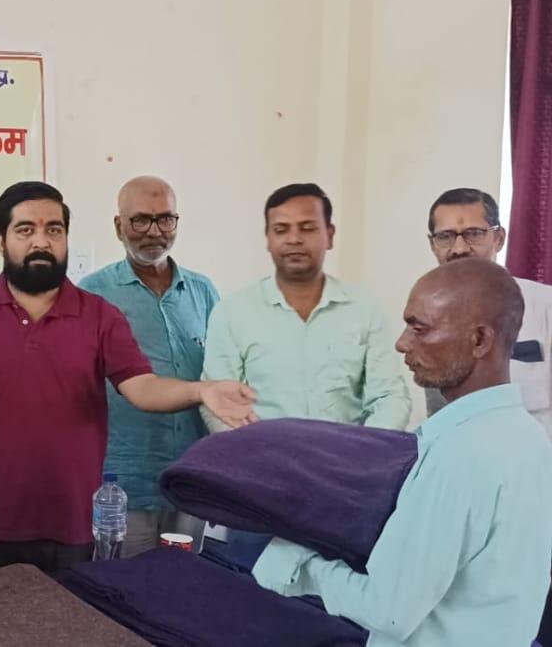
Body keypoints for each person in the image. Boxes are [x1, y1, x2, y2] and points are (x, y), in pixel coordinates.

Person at [0, 181, 256, 577]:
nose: (41, 241)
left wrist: (202, 390)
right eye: (25, 229)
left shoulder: (99, 315)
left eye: (54, 229)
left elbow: (142, 386)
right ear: (2, 241)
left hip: (76, 527)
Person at [253, 258, 552, 646]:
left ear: (479, 340)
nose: (402, 343)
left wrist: (299, 567)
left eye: (419, 328)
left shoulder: (459, 456)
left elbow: (388, 610)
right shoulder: (530, 439)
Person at [79, 176, 217, 557]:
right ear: (118, 226)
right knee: (125, 585)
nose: (154, 232)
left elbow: (222, 371)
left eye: (165, 219)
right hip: (123, 483)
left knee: (186, 583)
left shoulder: (203, 291)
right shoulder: (91, 294)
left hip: (191, 478)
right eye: (140, 220)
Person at [202, 183, 410, 432]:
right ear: (268, 238)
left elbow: (390, 397)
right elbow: (219, 404)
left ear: (330, 235)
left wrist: (364, 450)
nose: (294, 239)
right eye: (281, 230)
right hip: (261, 453)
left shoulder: (364, 309)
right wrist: (249, 452)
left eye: (307, 228)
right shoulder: (232, 313)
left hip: (347, 452)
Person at [422, 188, 551, 435]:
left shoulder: (545, 306)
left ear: (499, 238)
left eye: (473, 234)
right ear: (432, 244)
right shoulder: (427, 317)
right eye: (446, 236)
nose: (459, 248)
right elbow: (438, 418)